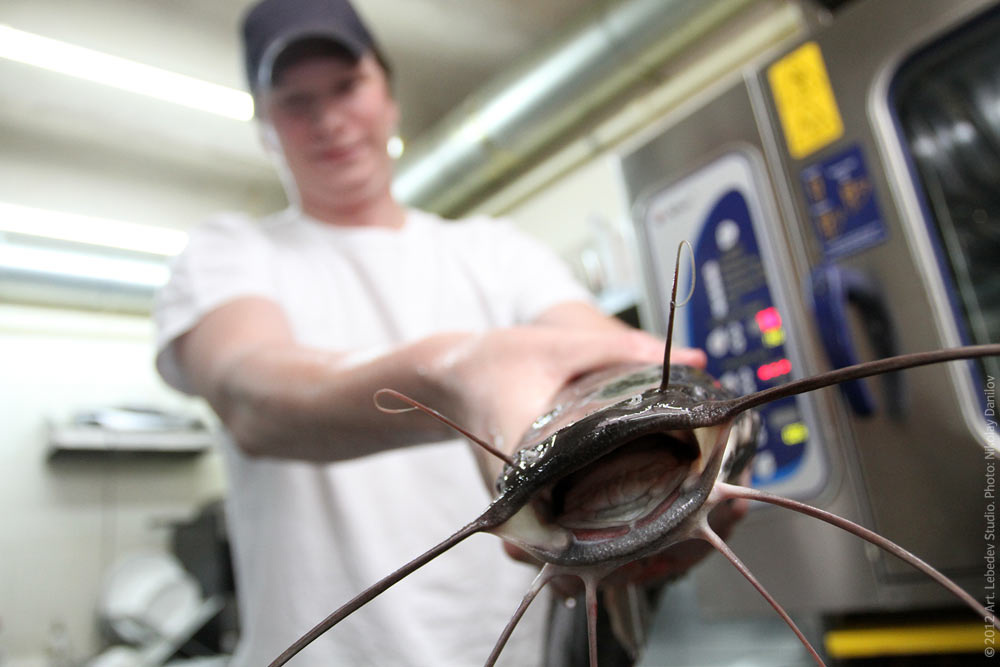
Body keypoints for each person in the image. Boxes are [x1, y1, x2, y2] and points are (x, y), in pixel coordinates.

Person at [153, 0, 713, 664]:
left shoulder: (495, 250)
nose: (328, 119)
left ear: (388, 96)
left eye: (346, 86)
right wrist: (452, 375)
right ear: (265, 128)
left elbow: (605, 362)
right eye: (296, 102)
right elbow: (251, 391)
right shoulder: (229, 252)